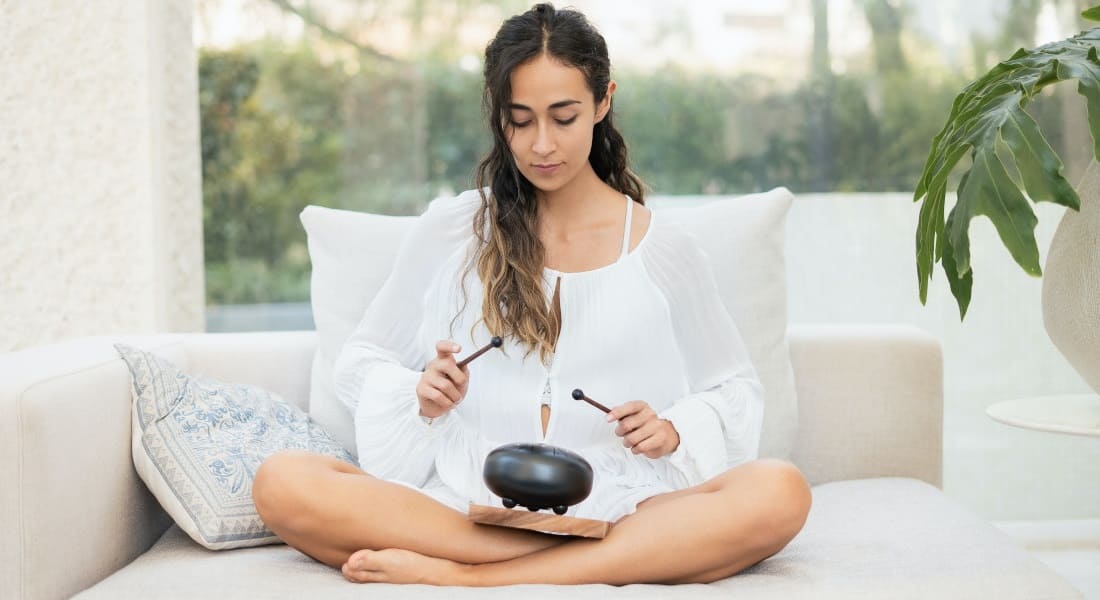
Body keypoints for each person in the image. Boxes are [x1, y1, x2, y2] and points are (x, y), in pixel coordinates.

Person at [252, 3, 811, 586]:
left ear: (603, 101)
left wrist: (673, 429)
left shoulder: (663, 248)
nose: (541, 145)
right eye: (520, 120)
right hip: (467, 502)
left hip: (619, 505)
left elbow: (735, 390)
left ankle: (471, 577)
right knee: (282, 481)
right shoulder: (452, 233)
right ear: (499, 116)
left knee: (779, 490)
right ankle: (559, 561)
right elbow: (362, 361)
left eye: (563, 117)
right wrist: (419, 395)